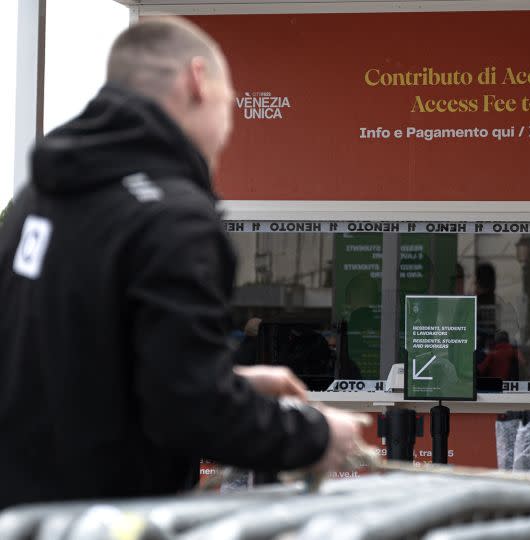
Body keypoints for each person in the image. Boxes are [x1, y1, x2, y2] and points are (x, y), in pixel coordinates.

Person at [0, 17, 365, 510]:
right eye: (229, 104)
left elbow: (74, 370)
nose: (229, 127)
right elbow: (192, 412)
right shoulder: (174, 218)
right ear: (197, 80)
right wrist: (317, 434)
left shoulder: (38, 198)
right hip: (114, 517)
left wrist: (228, 381)